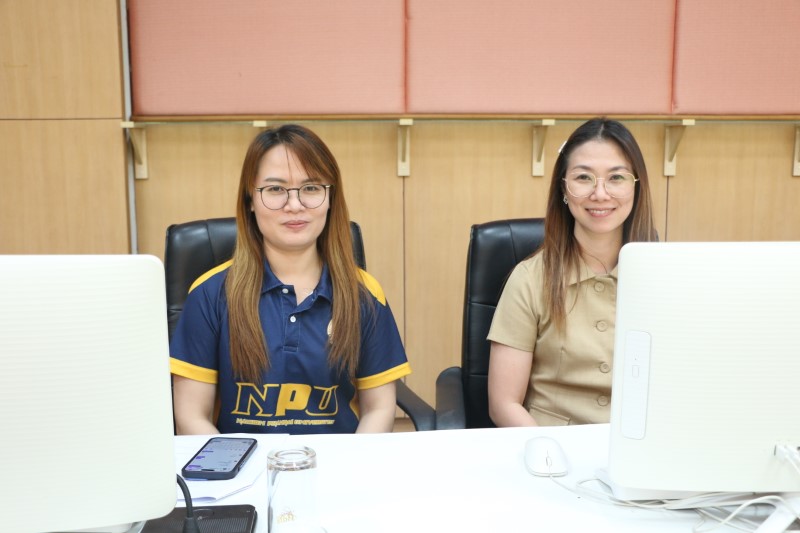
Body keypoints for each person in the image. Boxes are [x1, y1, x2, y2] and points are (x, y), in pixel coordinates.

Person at [170, 124, 411, 435]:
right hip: (242, 462)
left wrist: (351, 463)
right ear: (250, 200)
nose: (294, 205)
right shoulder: (210, 293)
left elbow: (379, 408)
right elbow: (191, 416)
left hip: (339, 462)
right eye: (275, 190)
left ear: (330, 198)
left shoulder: (363, 293)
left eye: (310, 188)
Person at [487, 118, 657, 427]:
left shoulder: (666, 277)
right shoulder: (529, 279)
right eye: (583, 177)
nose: (600, 194)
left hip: (641, 441)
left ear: (636, 186)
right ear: (563, 188)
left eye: (616, 177)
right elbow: (504, 404)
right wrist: (548, 450)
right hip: (552, 443)